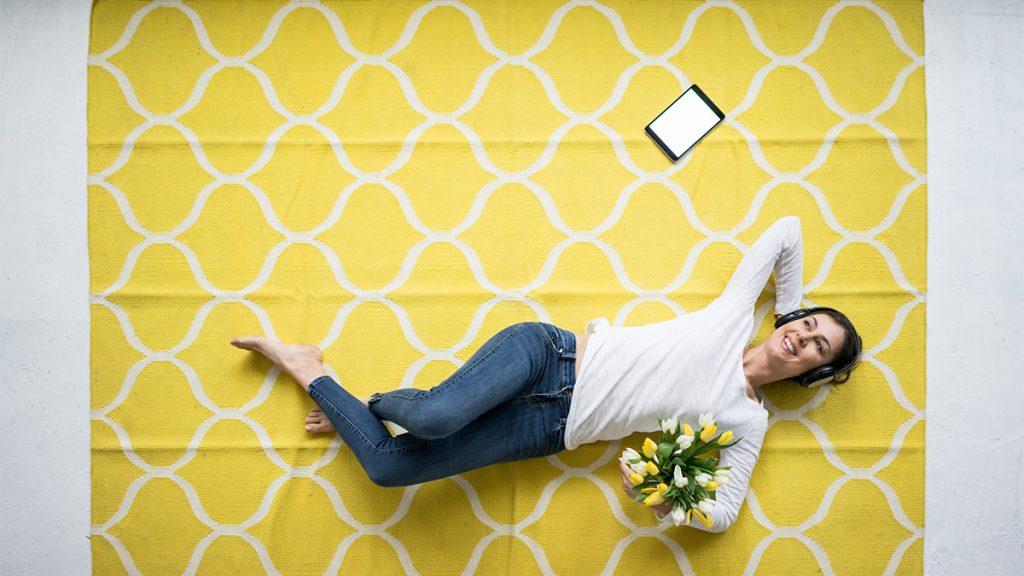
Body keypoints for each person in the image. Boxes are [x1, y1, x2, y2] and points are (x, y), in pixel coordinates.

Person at [230, 216, 861, 532]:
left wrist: (670, 497)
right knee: (432, 415)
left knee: (391, 469)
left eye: (816, 349)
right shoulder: (734, 314)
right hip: (548, 356)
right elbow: (787, 229)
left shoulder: (746, 417)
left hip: (550, 430)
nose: (802, 338)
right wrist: (790, 304)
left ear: (812, 372)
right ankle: (368, 403)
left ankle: (310, 369)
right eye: (809, 326)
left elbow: (724, 514)